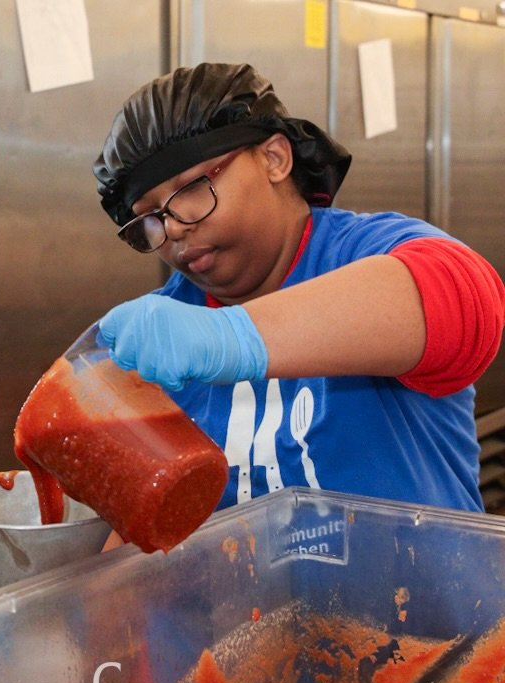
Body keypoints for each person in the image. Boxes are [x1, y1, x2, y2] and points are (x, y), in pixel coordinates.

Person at [93, 62, 505, 514]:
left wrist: (231, 337)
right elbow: (144, 524)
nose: (172, 228)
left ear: (274, 158)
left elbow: (465, 304)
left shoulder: (362, 253)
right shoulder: (161, 335)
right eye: (151, 217)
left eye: (192, 188)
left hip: (421, 582)